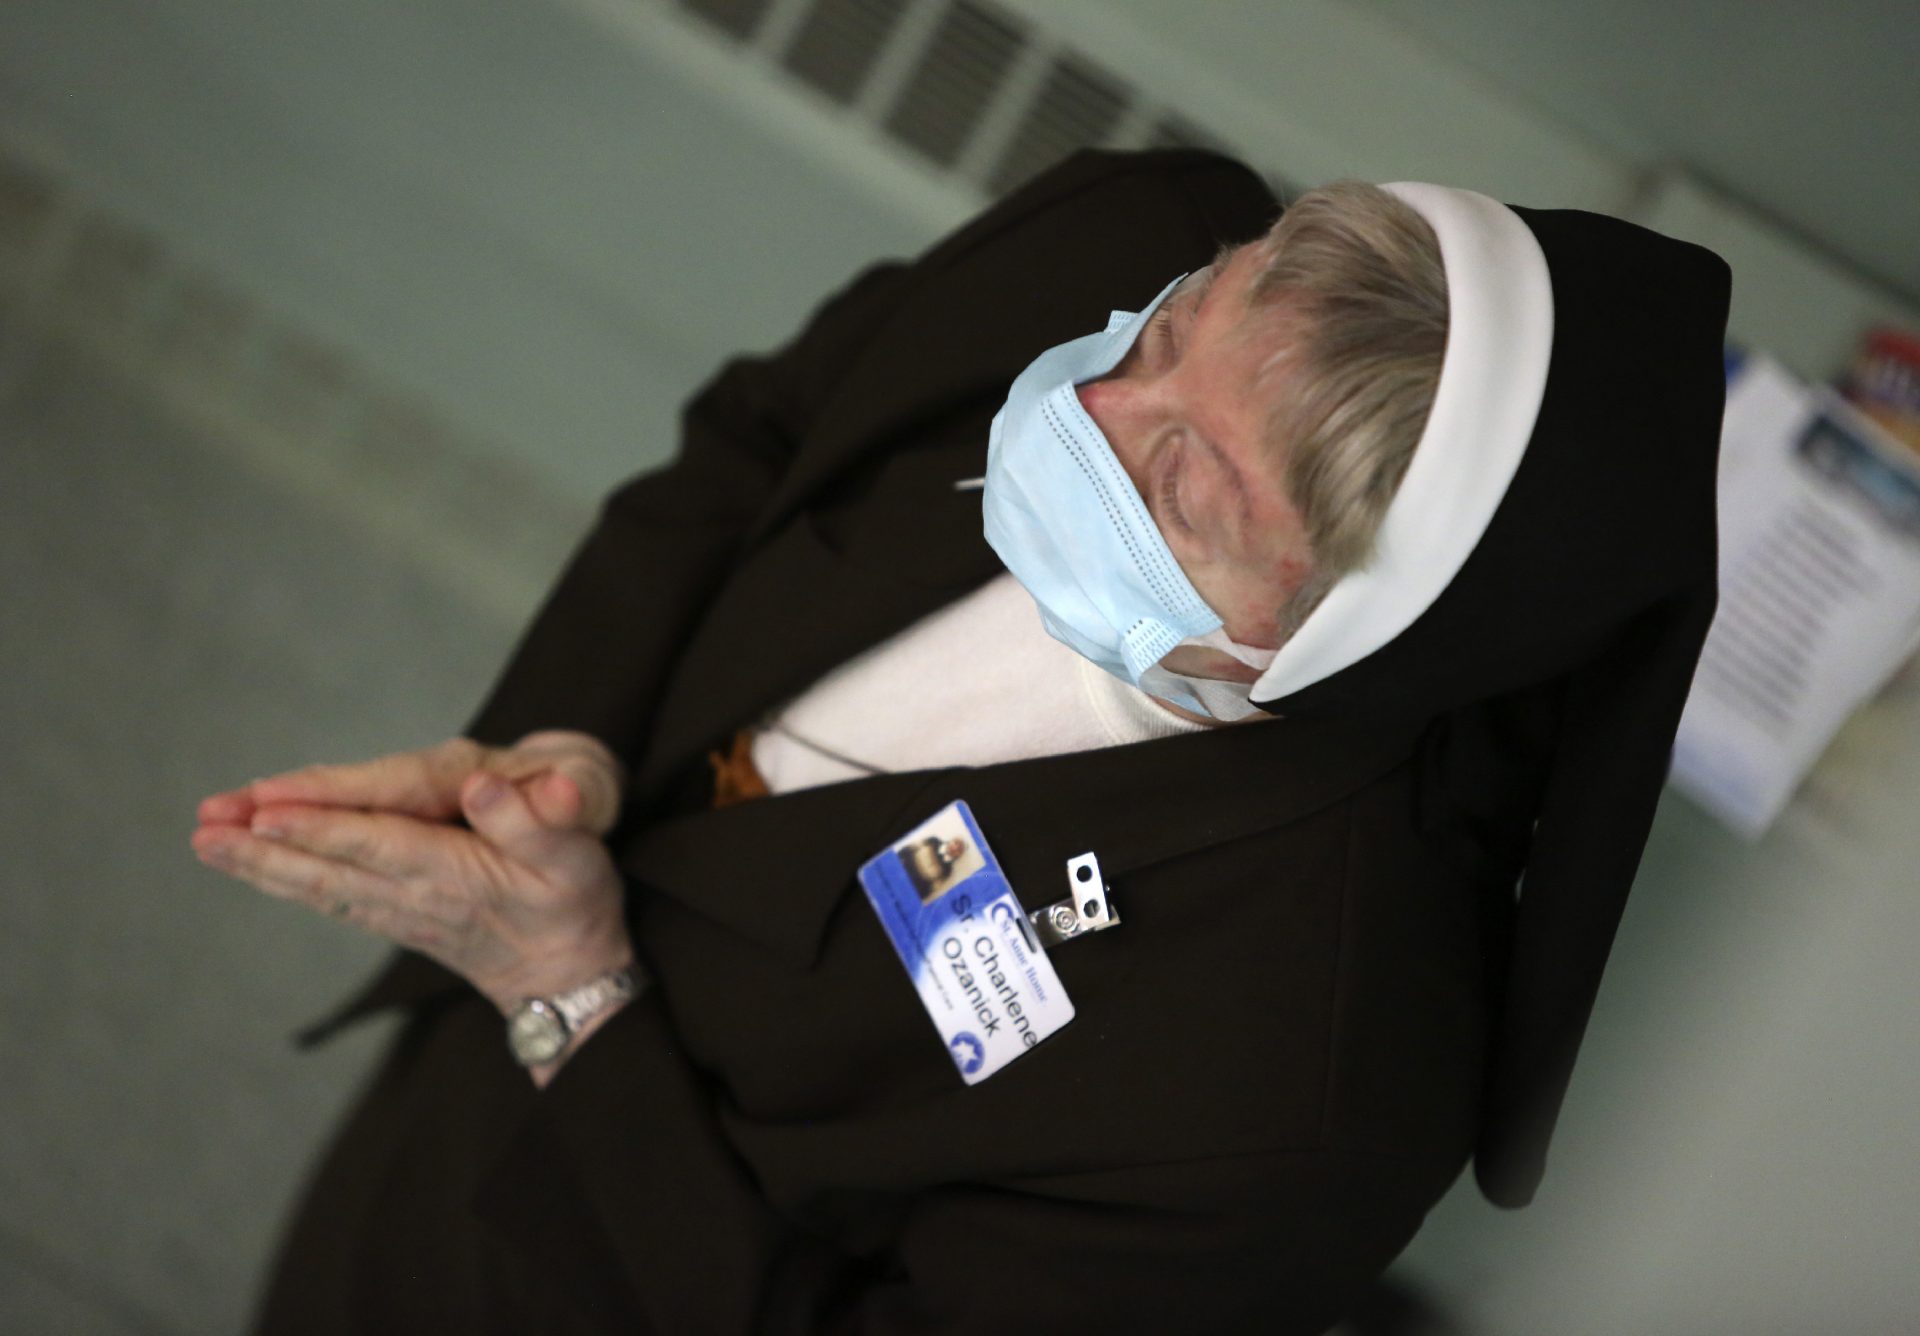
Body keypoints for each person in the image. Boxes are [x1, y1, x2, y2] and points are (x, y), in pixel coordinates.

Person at [192, 146, 1731, 1333]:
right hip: (448, 1079)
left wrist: (564, 989)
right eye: (1176, 327)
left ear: (1345, 641)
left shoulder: (1297, 1098)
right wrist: (555, 753)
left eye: (1188, 492)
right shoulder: (1112, 235)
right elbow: (758, 443)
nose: (1086, 413)